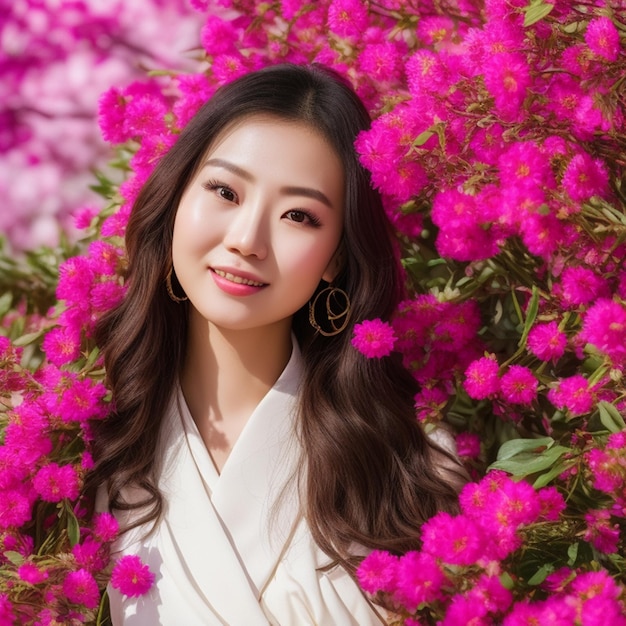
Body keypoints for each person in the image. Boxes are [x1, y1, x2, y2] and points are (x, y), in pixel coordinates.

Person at [88, 63, 465, 625]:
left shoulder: (411, 469)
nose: (246, 240)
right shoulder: (95, 451)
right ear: (174, 203)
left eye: (298, 215)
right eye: (223, 190)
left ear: (337, 256)